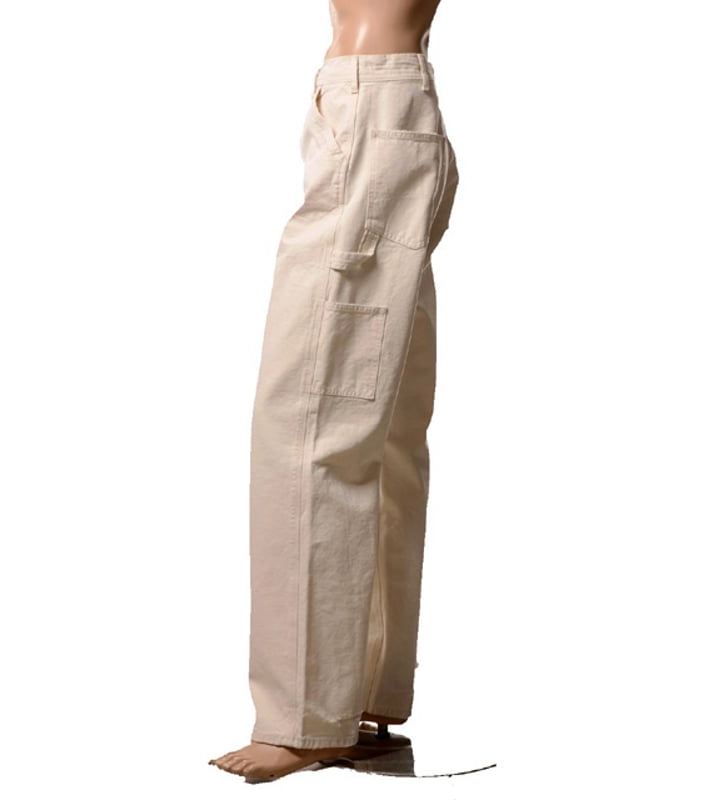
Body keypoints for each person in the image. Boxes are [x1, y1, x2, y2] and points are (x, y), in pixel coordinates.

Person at [209, 0, 459, 781]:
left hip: (375, 109)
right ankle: (355, 697)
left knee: (310, 419)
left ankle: (308, 719)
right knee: (376, 420)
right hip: (374, 105)